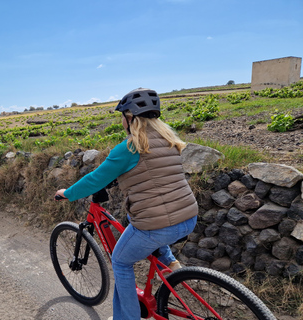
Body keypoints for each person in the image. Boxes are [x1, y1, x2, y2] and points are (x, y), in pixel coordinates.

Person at [55, 88, 198, 320]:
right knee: (136, 217)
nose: (122, 121)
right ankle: (169, 260)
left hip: (158, 226)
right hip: (188, 217)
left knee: (120, 262)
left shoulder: (130, 147)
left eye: (122, 116)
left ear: (130, 118)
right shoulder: (169, 140)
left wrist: (67, 193)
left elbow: (94, 179)